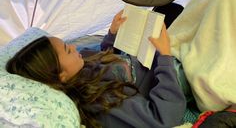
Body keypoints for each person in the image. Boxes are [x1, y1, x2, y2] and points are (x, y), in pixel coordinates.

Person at [6, 11, 186, 128]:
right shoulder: (100, 101)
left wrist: (112, 35)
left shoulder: (80, 63)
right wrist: (164, 56)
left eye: (68, 45)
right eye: (68, 50)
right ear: (61, 76)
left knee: (170, 8)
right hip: (169, 74)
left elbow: (102, 61)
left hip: (149, 57)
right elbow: (165, 118)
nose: (75, 48)